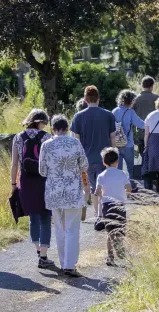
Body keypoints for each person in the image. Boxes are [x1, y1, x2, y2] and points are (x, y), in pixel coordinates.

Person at [39, 115, 89, 277]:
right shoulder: (75, 143)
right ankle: (69, 264)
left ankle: (63, 262)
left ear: (52, 128)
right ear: (67, 128)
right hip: (72, 191)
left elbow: (42, 171)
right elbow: (84, 165)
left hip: (54, 191)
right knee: (72, 229)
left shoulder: (46, 145)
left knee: (59, 229)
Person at [10, 109, 54, 269]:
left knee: (33, 218)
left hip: (26, 180)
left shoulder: (18, 137)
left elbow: (14, 164)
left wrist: (13, 184)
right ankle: (44, 255)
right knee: (46, 217)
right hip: (44, 181)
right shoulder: (48, 138)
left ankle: (38, 250)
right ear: (41, 121)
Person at [70, 86, 116, 217]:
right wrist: (115, 156)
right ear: (98, 99)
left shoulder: (78, 116)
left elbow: (75, 140)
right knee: (103, 187)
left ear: (85, 99)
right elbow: (113, 137)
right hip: (105, 158)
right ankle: (102, 213)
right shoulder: (108, 115)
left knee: (90, 186)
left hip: (86, 159)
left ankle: (91, 210)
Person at [95, 147, 131, 266]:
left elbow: (97, 192)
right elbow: (129, 189)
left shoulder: (101, 176)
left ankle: (110, 257)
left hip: (107, 206)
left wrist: (100, 195)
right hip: (120, 205)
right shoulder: (122, 174)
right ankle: (119, 244)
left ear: (104, 162)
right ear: (117, 161)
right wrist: (124, 193)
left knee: (109, 232)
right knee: (120, 230)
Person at [112, 89, 145, 192]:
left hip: (116, 143)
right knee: (130, 168)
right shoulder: (130, 112)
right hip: (128, 144)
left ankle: (118, 187)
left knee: (118, 168)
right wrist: (150, 124)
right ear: (131, 101)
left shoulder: (114, 111)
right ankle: (130, 186)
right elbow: (140, 124)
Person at [133, 76, 159, 189]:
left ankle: (147, 184)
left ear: (142, 85)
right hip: (155, 133)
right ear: (152, 86)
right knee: (155, 158)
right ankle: (156, 181)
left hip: (140, 134)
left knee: (145, 158)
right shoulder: (157, 98)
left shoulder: (135, 99)